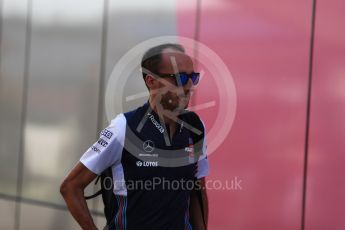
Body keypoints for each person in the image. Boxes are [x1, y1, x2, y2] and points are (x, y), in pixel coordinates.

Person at [60, 43, 210, 230]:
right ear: (151, 81)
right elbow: (70, 187)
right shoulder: (124, 127)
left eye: (192, 77)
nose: (188, 86)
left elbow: (197, 193)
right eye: (179, 78)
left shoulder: (195, 127)